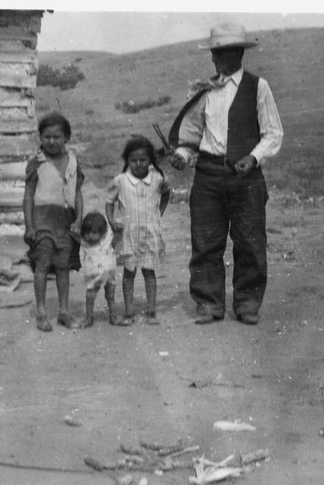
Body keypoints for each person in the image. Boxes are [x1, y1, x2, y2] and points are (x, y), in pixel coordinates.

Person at [168, 23, 283, 325]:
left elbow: (273, 133)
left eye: (221, 52)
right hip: (207, 175)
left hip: (245, 178)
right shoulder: (206, 90)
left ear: (238, 53)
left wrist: (253, 158)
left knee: (249, 242)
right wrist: (182, 156)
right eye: (214, 52)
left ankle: (247, 304)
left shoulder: (259, 87)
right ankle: (209, 303)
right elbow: (191, 135)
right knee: (205, 241)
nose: (215, 58)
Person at [23, 112, 84, 332]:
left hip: (65, 222)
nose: (51, 141)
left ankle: (64, 312)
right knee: (42, 265)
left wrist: (78, 218)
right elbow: (28, 196)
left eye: (57, 137)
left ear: (66, 137)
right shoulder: (36, 163)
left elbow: (77, 193)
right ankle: (41, 312)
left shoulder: (73, 161)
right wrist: (30, 226)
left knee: (63, 267)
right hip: (42, 220)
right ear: (40, 137)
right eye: (46, 137)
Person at [105, 135, 171, 326]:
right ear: (127, 161)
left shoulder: (158, 179)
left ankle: (151, 310)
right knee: (129, 273)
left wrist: (159, 214)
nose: (138, 164)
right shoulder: (121, 181)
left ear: (151, 160)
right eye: (134, 160)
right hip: (128, 235)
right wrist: (111, 220)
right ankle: (129, 311)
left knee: (149, 272)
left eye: (143, 160)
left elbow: (166, 195)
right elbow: (109, 201)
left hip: (149, 234)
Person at [79, 211, 125, 328]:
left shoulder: (107, 238)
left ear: (102, 232)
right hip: (93, 276)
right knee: (90, 296)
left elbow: (116, 242)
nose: (90, 236)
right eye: (87, 233)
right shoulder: (85, 242)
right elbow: (76, 234)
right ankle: (89, 317)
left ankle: (113, 316)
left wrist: (119, 232)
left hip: (109, 274)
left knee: (110, 296)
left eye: (94, 233)